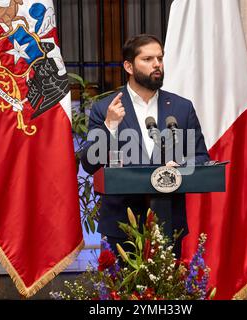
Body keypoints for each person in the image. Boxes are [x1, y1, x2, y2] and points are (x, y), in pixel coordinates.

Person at [80, 34, 209, 258]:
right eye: (148, 59)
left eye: (160, 58)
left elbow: (201, 157)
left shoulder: (181, 108)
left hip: (169, 222)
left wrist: (180, 165)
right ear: (129, 66)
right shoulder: (105, 109)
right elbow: (90, 164)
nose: (157, 64)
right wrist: (109, 126)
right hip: (120, 226)